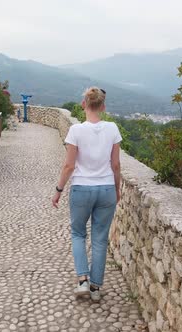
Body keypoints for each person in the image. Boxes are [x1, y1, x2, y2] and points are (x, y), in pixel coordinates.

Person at [52, 87, 122, 302]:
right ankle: (95, 288)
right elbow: (116, 164)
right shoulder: (112, 128)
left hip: (82, 188)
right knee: (100, 240)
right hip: (106, 189)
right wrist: (117, 189)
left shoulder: (76, 131)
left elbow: (68, 166)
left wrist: (58, 190)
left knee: (78, 234)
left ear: (84, 104)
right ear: (103, 106)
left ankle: (82, 280)